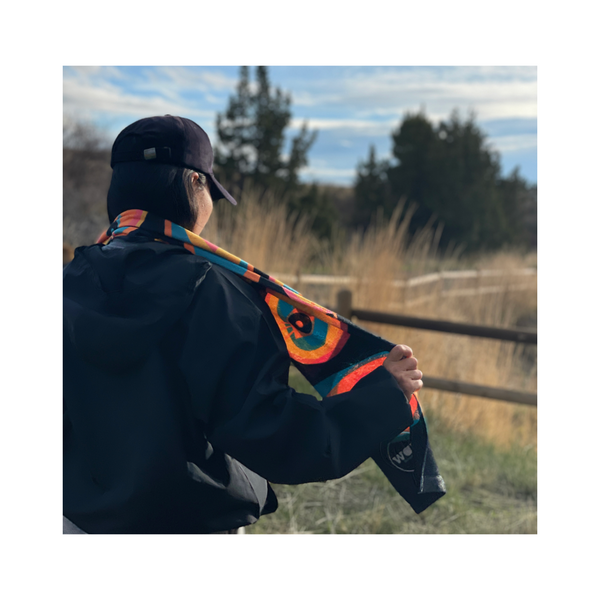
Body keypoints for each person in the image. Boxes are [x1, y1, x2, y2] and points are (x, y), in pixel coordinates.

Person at [63, 115, 424, 534]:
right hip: (187, 526)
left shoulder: (69, 281)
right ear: (194, 184)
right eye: (211, 192)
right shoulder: (213, 293)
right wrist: (383, 396)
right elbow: (273, 434)